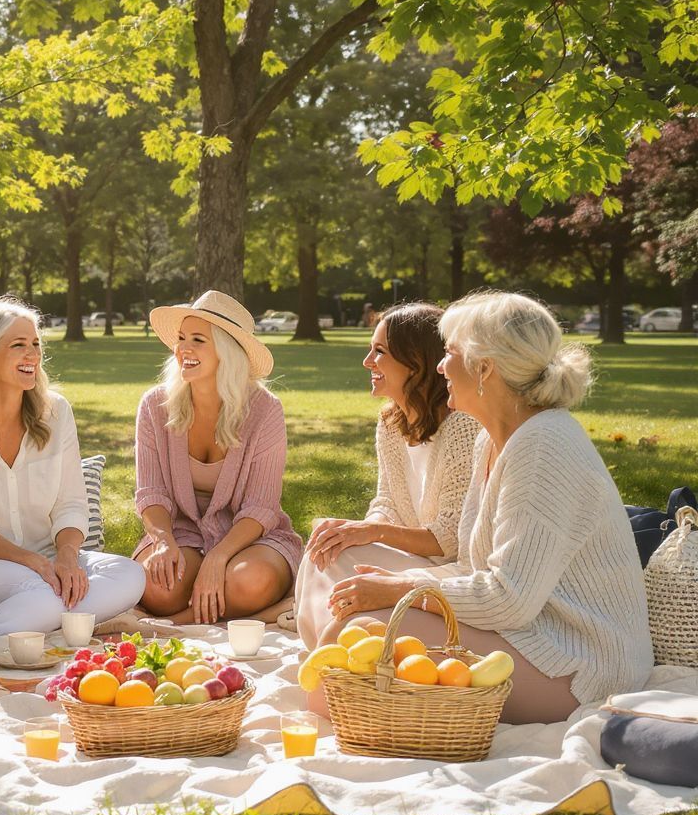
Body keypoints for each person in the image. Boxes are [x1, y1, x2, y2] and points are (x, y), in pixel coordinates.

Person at [317, 291, 652, 723]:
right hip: (531, 631)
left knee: (355, 639)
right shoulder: (492, 437)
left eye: (450, 353)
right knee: (349, 636)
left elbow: (509, 598)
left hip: (581, 663)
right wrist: (397, 581)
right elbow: (477, 568)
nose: (440, 366)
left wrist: (401, 590)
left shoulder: (543, 445)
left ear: (484, 368)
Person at [0, 296, 146, 645]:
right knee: (43, 589)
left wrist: (67, 558)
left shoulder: (56, 412)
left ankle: (25, 617)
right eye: (19, 345)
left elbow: (71, 503)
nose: (33, 355)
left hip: (47, 562)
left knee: (128, 574)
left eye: (36, 344)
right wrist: (36, 564)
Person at [295, 303, 479, 648]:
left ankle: (336, 653)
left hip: (451, 574)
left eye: (379, 352)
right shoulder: (390, 422)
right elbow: (387, 501)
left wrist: (372, 531)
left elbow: (450, 540)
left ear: (416, 362)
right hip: (416, 556)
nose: (367, 362)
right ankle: (324, 653)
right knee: (327, 546)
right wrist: (354, 530)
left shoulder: (463, 429)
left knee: (344, 557)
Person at [135, 290, 302, 625]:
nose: (184, 348)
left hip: (250, 536)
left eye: (198, 340)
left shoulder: (265, 410)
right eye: (181, 338)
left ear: (227, 352)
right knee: (158, 589)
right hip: (181, 531)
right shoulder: (154, 405)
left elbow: (261, 507)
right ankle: (220, 616)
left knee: (250, 582)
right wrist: (163, 540)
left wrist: (218, 559)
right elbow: (152, 494)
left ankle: (177, 625)